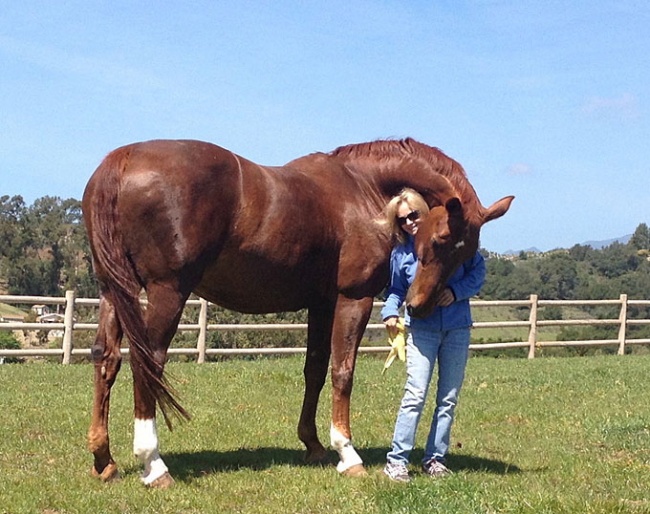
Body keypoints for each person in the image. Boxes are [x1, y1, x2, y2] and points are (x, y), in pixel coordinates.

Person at [381, 188, 486, 482]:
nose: (410, 223)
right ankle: (396, 461)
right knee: (415, 395)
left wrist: (456, 292)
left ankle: (435, 459)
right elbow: (396, 291)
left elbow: (478, 273)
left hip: (457, 328)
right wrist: (389, 311)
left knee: (448, 398)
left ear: (424, 213)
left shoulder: (453, 242)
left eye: (414, 215)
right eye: (402, 220)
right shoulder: (401, 253)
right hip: (421, 330)